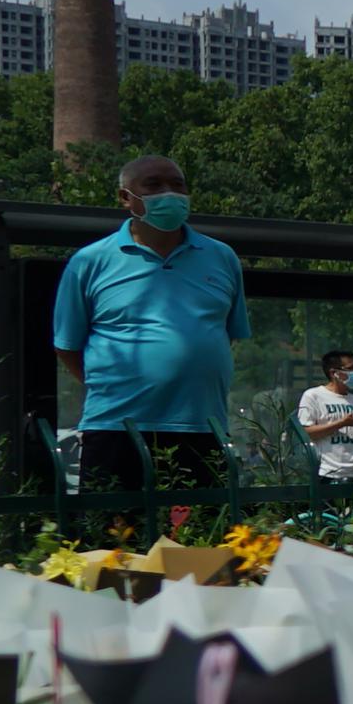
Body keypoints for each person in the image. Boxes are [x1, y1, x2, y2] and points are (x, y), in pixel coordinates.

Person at [53, 154, 248, 509]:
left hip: (203, 427)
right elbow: (67, 346)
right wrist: (118, 384)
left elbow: (226, 334)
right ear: (126, 198)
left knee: (206, 550)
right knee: (112, 550)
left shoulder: (222, 257)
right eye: (154, 185)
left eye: (178, 185)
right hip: (116, 428)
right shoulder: (89, 261)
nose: (169, 194)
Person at [296, 349, 353, 484]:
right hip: (331, 472)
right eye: (350, 369)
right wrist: (342, 423)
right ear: (334, 373)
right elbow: (306, 433)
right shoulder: (314, 396)